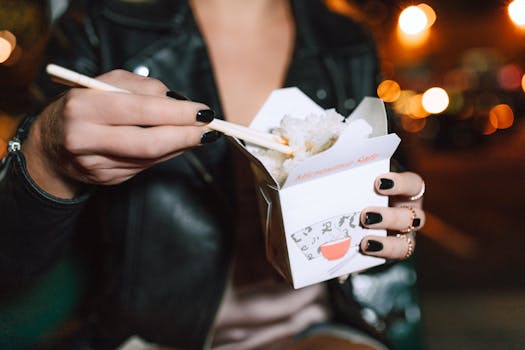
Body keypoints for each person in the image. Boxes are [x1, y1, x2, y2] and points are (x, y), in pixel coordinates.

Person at [0, 0, 427, 349]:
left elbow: (392, 202)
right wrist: (45, 156)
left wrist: (395, 220)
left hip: (321, 331)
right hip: (147, 337)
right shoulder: (102, 26)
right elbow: (12, 266)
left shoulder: (346, 41)